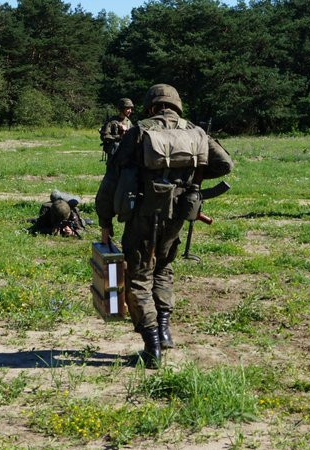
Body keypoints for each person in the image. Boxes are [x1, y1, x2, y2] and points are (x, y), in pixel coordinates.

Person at [95, 84, 234, 368]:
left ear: (151, 106)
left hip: (143, 215)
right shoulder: (195, 132)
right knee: (163, 269)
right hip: (178, 214)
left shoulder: (139, 131)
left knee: (138, 277)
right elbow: (225, 165)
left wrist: (105, 221)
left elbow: (112, 180)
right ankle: (164, 330)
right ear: (176, 105)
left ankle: (152, 346)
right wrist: (190, 177)